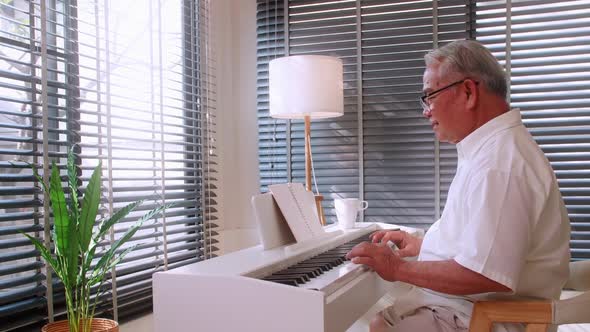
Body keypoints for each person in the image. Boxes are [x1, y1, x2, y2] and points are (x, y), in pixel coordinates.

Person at [346, 40, 571, 332]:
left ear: (468, 92)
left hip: (478, 320)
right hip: (466, 309)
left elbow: (486, 274)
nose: (426, 111)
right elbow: (488, 247)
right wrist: (426, 246)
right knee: (374, 319)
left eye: (430, 96)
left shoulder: (499, 164)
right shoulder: (493, 151)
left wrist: (397, 268)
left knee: (363, 324)